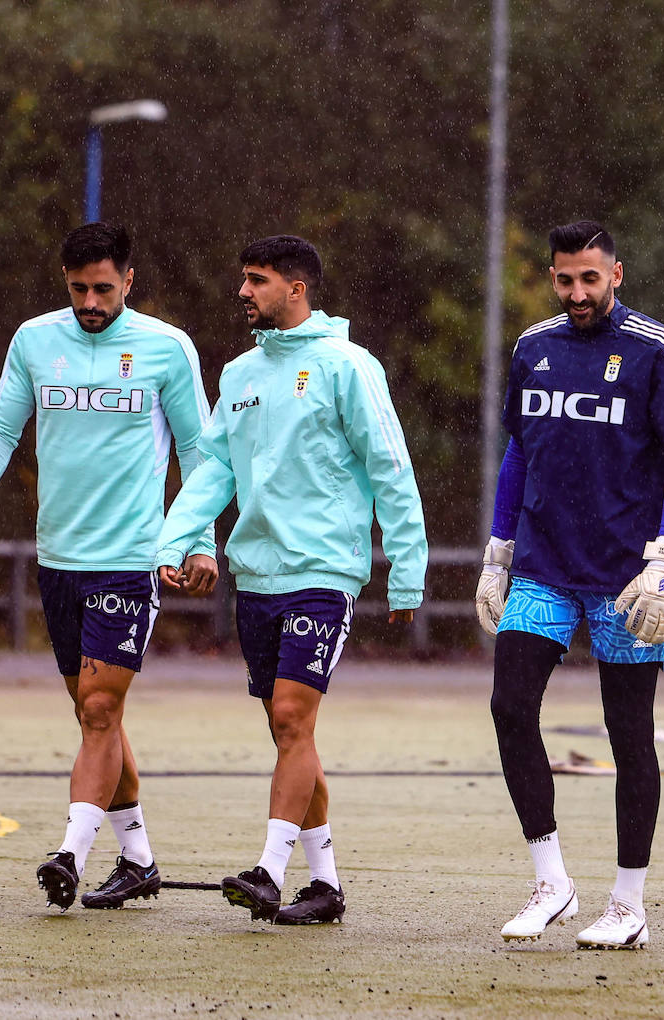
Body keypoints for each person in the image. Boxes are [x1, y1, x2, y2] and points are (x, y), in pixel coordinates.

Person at [0, 222, 217, 910]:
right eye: (79, 288)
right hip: (59, 559)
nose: (91, 301)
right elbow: (2, 428)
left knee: (97, 709)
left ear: (130, 281)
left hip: (130, 560)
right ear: (65, 281)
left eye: (104, 288)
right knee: (99, 719)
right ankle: (139, 859)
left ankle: (69, 854)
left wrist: (197, 541)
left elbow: (201, 456)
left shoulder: (166, 348)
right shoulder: (35, 340)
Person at [155, 234, 427, 925]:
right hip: (258, 576)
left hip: (323, 571)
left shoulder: (348, 366)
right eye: (243, 280)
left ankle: (269, 871)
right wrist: (177, 538)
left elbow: (391, 469)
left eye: (257, 281)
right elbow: (214, 469)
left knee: (290, 717)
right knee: (290, 737)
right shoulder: (240, 375)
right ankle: (326, 885)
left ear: (296, 288)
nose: (243, 292)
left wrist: (407, 575)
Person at [477, 220, 664, 949]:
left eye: (590, 278)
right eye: (564, 278)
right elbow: (520, 447)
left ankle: (629, 903)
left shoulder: (655, 349)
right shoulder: (533, 347)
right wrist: (498, 548)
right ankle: (552, 883)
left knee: (628, 733)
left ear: (617, 274)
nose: (577, 292)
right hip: (544, 566)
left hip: (626, 578)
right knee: (509, 706)